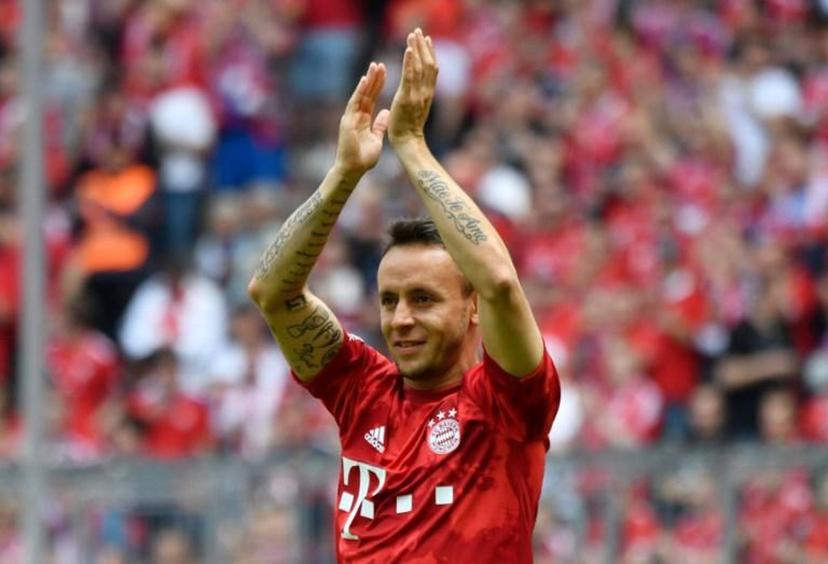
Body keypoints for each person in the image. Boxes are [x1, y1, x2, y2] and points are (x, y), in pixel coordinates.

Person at [248, 29, 560, 562]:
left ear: (472, 308)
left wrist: (412, 146)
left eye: (424, 298)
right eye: (390, 300)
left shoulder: (507, 403)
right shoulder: (361, 391)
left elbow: (501, 282)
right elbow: (273, 292)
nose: (401, 319)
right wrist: (344, 175)